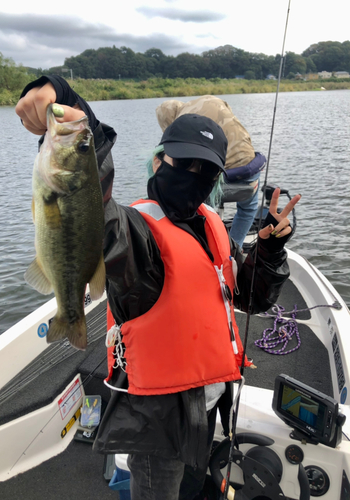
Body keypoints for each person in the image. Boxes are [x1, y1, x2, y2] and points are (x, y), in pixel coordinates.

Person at [16, 75, 301, 500]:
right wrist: (72, 107)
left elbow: (250, 298)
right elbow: (96, 212)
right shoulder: (137, 234)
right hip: (158, 423)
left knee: (194, 489)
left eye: (206, 169)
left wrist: (271, 250)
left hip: (207, 407)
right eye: (183, 163)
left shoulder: (210, 228)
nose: (194, 175)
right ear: (158, 161)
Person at [155, 95, 267, 248]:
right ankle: (235, 248)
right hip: (249, 164)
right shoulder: (209, 99)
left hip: (221, 172)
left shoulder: (183, 122)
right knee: (248, 208)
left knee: (201, 208)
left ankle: (205, 245)